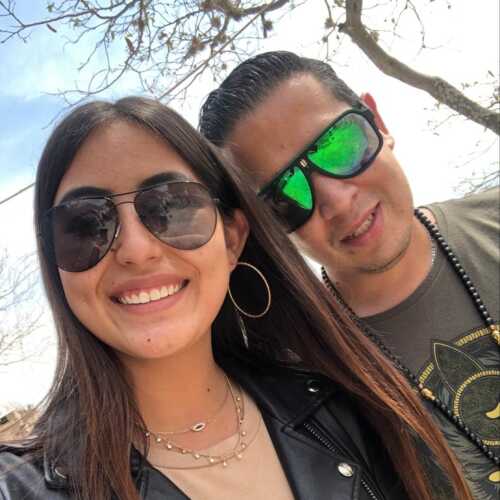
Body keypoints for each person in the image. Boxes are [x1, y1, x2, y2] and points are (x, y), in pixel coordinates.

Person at [0, 97, 471, 500]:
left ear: (232, 239)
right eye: (85, 225)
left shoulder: (345, 407)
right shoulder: (21, 486)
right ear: (55, 264)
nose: (137, 249)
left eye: (172, 206)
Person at [199, 51, 500, 499]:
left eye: (339, 146)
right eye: (286, 195)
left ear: (376, 120)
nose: (337, 202)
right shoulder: (303, 385)